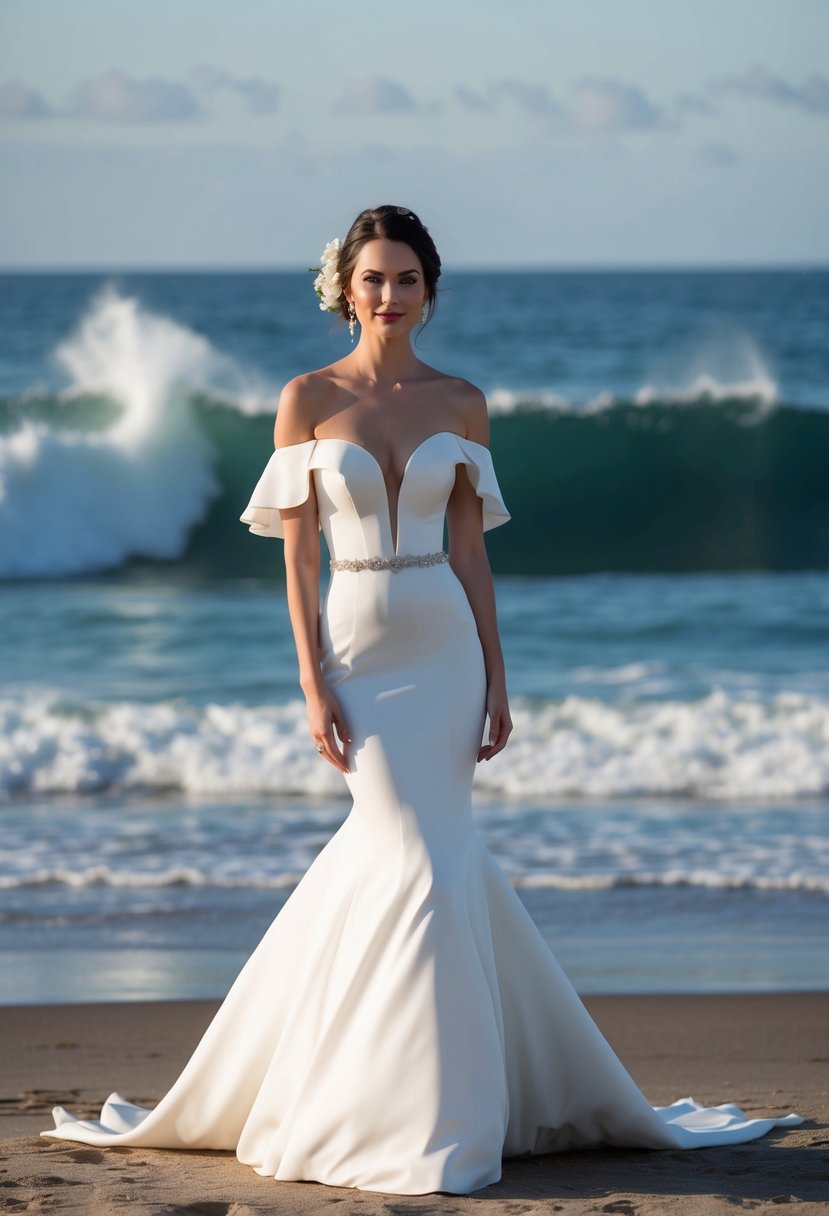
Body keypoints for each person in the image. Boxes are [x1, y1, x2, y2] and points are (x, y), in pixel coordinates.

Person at [40, 205, 802, 1195]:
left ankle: (442, 1108)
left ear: (428, 291)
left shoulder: (461, 402)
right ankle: (385, 1103)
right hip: (358, 643)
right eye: (372, 278)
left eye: (406, 278)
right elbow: (298, 555)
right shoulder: (305, 400)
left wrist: (496, 672)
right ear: (344, 288)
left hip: (442, 646)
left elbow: (471, 552)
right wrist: (313, 679)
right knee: (406, 854)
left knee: (432, 861)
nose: (389, 295)